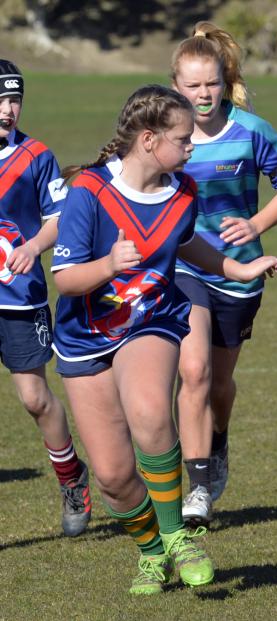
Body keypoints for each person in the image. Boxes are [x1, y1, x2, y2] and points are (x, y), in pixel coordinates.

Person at [52, 84, 277, 594]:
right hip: (84, 337)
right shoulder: (89, 192)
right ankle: (152, 554)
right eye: (183, 140)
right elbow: (64, 280)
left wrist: (237, 270)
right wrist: (109, 264)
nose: (191, 147)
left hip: (151, 318)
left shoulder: (181, 190)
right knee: (112, 476)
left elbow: (186, 243)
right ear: (150, 140)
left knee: (152, 411)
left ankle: (178, 537)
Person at [169, 22, 277, 526]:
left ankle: (217, 439)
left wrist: (255, 223)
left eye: (211, 85)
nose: (202, 96)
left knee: (219, 383)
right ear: (176, 86)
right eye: (192, 86)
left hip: (239, 274)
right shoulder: (166, 131)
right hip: (182, 267)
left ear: (225, 82)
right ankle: (197, 487)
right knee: (194, 371)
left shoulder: (252, 131)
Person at [0, 59, 91, 537]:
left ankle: (72, 477)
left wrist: (33, 247)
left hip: (19, 296)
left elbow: (59, 217)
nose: (8, 109)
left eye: (14, 99)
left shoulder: (36, 156)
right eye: (0, 99)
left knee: (35, 399)